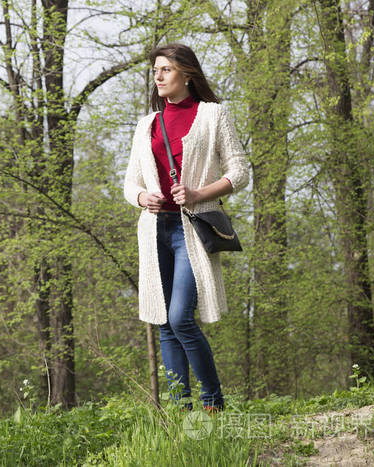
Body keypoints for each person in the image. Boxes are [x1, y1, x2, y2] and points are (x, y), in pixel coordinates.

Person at [123, 44, 249, 412]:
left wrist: (198, 193)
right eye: (156, 70)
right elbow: (130, 183)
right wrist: (142, 197)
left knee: (180, 317)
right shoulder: (146, 124)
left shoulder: (213, 115)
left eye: (166, 69)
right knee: (164, 323)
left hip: (191, 229)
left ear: (187, 74)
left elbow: (240, 172)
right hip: (153, 230)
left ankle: (212, 401)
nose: (158, 76)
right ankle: (182, 410)